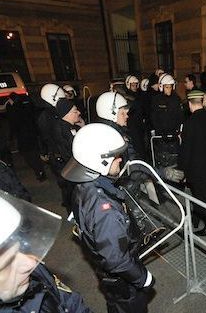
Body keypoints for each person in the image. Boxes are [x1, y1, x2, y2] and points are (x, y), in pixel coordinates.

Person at [62, 123, 154, 313]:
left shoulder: (83, 185)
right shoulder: (105, 210)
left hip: (106, 276)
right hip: (122, 282)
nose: (120, 160)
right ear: (99, 161)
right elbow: (116, 260)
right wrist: (143, 278)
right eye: (115, 157)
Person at [0, 191, 92, 312]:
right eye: (8, 263)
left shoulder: (34, 272)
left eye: (20, 248)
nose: (31, 263)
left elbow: (68, 302)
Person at [179, 92, 206, 236]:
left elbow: (186, 149)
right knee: (200, 196)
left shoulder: (190, 122)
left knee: (203, 199)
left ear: (190, 104)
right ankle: (196, 220)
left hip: (196, 169)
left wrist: (182, 170)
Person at [150, 74, 183, 167]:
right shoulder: (156, 100)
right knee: (162, 159)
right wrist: (160, 131)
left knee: (175, 159)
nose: (169, 89)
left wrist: (177, 130)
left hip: (174, 136)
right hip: (161, 137)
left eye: (170, 87)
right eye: (167, 87)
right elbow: (154, 117)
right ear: (162, 87)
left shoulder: (176, 99)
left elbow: (180, 117)